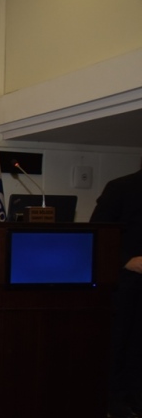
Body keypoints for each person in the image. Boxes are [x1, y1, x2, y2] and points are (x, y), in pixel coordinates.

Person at [90, 168, 142, 418]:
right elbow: (98, 234)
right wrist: (127, 261)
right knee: (120, 344)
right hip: (125, 283)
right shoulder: (121, 188)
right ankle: (116, 401)